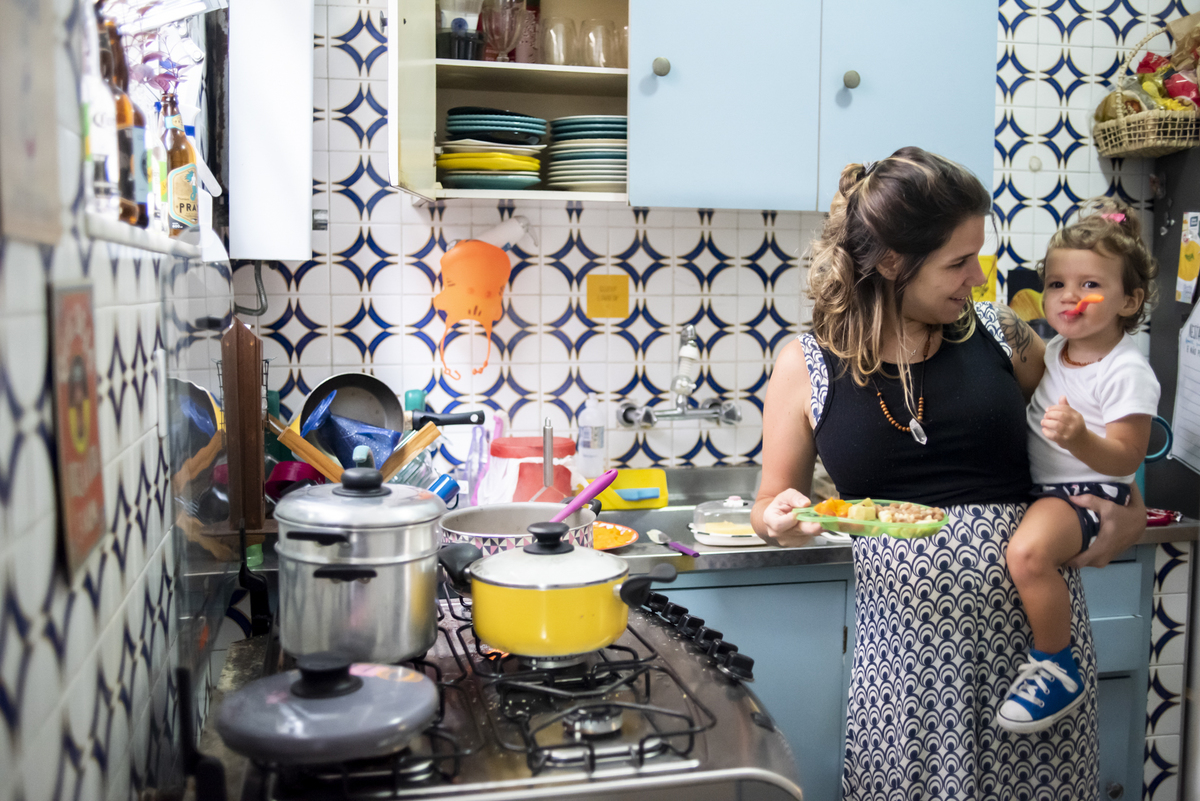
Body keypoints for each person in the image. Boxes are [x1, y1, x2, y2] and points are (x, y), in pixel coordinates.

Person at [751, 147, 1148, 799]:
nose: (977, 276)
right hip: (905, 665)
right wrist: (777, 519)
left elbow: (1092, 426)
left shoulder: (1001, 334)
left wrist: (1129, 507)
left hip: (1035, 663)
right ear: (892, 262)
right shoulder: (807, 364)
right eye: (958, 262)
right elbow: (770, 501)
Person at [996, 199, 1160, 733]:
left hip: (1086, 493)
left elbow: (1128, 455)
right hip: (1052, 492)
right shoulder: (1055, 352)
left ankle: (1056, 666)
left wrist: (1080, 437)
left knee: (1027, 555)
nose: (1069, 296)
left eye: (1090, 284)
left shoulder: (1126, 369)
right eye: (1056, 283)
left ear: (1129, 300)